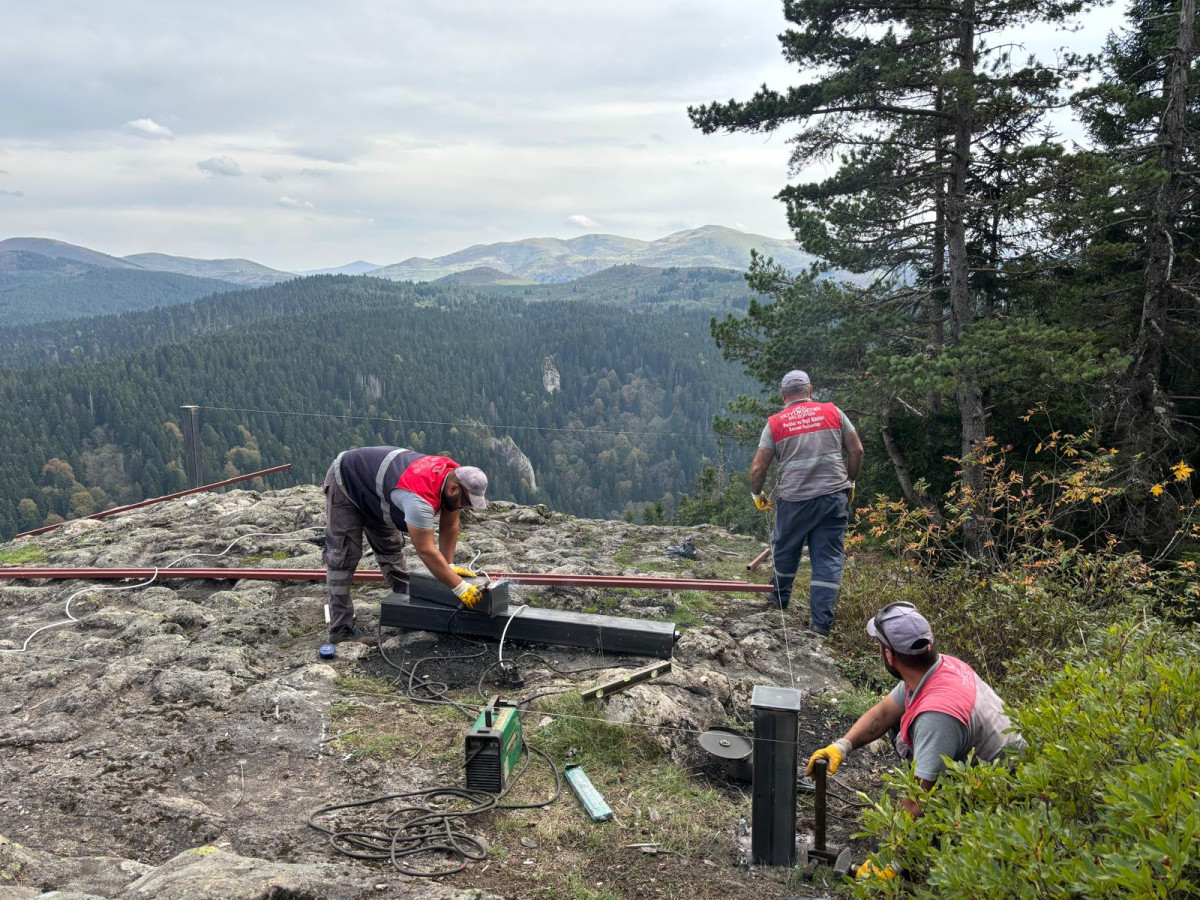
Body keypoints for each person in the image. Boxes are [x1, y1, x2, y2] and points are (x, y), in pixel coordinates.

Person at [806, 602, 1026, 819]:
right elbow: (882, 715)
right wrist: (841, 747)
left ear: (890, 656)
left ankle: (940, 833)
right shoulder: (940, 667)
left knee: (923, 804)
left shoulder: (936, 717)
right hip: (993, 763)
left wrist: (889, 851)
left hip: (1000, 794)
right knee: (897, 722)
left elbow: (916, 804)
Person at [322, 446, 489, 643]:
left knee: (390, 548)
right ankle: (341, 629)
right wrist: (460, 587)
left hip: (378, 492)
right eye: (467, 503)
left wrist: (449, 566)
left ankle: (408, 605)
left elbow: (450, 524)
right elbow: (426, 550)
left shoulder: (454, 477)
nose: (465, 508)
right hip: (347, 482)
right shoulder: (419, 499)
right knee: (343, 556)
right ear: (454, 489)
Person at [749, 369, 864, 634]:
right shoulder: (834, 412)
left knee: (786, 549)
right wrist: (851, 480)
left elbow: (758, 469)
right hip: (833, 497)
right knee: (828, 559)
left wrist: (758, 495)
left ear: (783, 395)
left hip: (795, 501)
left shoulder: (776, 423)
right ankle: (820, 625)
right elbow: (856, 450)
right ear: (810, 391)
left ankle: (779, 599)